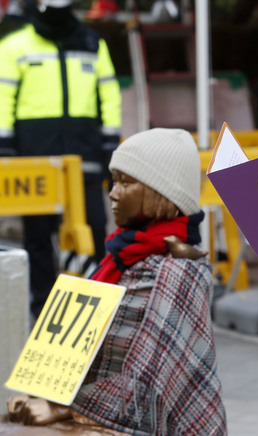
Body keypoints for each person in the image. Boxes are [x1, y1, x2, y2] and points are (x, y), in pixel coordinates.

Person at [4, 128, 227, 436]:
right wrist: (42, 393)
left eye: (126, 181)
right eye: (114, 180)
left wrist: (62, 409)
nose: (113, 192)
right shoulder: (122, 254)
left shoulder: (175, 272)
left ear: (162, 191)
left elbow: (145, 386)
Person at [0, 0, 122, 319]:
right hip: (35, 157)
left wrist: (110, 141)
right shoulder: (15, 46)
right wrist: (6, 145)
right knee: (38, 235)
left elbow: (108, 94)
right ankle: (42, 307)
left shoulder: (92, 43)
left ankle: (94, 304)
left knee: (94, 227)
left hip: (85, 153)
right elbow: (2, 96)